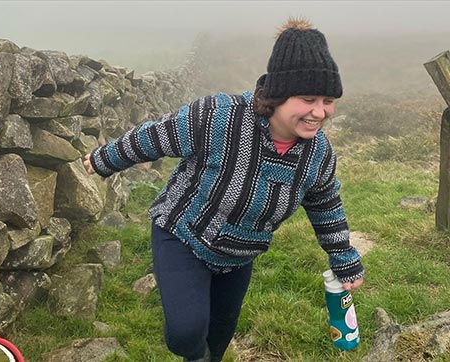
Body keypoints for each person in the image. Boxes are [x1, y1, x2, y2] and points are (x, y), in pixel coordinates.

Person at [84, 18, 364, 362]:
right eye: (308, 98)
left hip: (239, 256)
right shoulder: (220, 117)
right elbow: (154, 136)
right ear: (277, 94)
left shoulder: (317, 154)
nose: (319, 112)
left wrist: (344, 258)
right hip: (182, 236)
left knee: (218, 338)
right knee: (186, 334)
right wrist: (103, 159)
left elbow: (325, 204)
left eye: (328, 100)